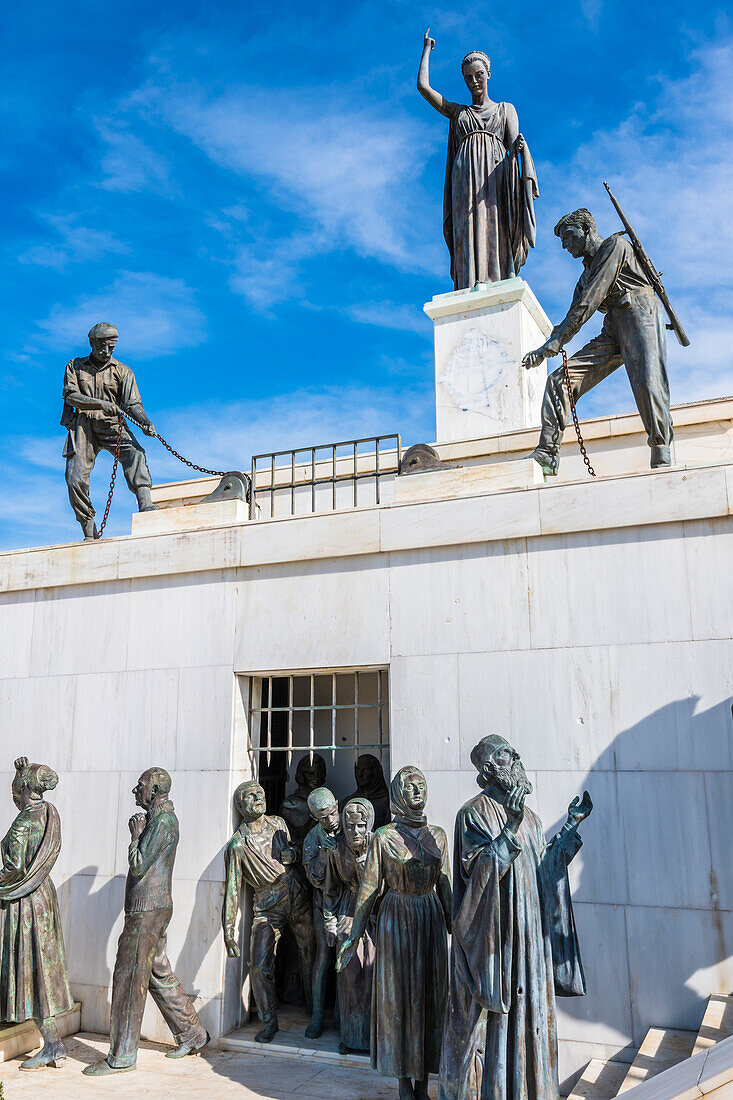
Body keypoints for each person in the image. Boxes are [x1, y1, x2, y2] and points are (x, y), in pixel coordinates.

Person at [439, 735, 592, 1100]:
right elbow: (476, 875)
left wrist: (569, 827)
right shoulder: (472, 813)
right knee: (496, 1027)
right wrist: (509, 828)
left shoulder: (533, 819)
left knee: (532, 1022)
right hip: (500, 941)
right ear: (490, 768)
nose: (518, 757)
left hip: (531, 940)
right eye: (508, 754)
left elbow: (543, 870)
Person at [523, 208, 673, 474]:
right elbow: (573, 313)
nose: (565, 245)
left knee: (648, 382)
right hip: (614, 325)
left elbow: (589, 301)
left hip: (639, 313)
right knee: (560, 380)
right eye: (563, 241)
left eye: (569, 236)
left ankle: (661, 450)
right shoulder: (584, 276)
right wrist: (545, 347)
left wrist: (556, 343)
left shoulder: (615, 246)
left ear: (588, 230)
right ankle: (547, 453)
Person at [84, 768, 209, 1076]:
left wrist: (136, 836)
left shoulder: (162, 822)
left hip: (147, 910)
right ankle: (192, 1032)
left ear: (154, 790)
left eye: (140, 785)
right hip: (153, 908)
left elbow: (138, 865)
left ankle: (123, 1055)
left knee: (128, 978)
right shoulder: (161, 819)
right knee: (157, 973)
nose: (134, 790)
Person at [338, 766, 452, 1100]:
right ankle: (403, 1083)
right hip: (397, 919)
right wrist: (353, 936)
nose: (417, 791)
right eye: (409, 786)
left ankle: (423, 1085)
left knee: (430, 998)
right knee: (400, 999)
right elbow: (369, 889)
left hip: (429, 918)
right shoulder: (384, 837)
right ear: (398, 793)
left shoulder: (439, 835)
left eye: (421, 785)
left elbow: (445, 885)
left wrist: (458, 929)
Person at [418, 28, 538, 290]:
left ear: (488, 75)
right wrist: (426, 49)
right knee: (466, 227)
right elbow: (423, 88)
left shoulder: (505, 110)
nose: (474, 81)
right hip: (463, 181)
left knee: (493, 224)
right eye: (468, 77)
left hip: (494, 177)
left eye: (479, 75)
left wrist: (518, 149)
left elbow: (512, 150)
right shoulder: (457, 112)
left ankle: (496, 277)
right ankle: (469, 279)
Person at [222, 780, 315, 1043]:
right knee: (260, 965)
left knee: (311, 953)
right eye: (250, 796)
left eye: (260, 794)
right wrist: (229, 931)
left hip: (295, 894)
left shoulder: (278, 823)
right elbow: (232, 889)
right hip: (266, 904)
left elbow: (296, 852)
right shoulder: (237, 846)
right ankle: (268, 1020)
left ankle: (313, 1009)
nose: (258, 798)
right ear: (240, 806)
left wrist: (293, 855)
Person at [0, 757, 74, 1070]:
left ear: (24, 791)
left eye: (16, 788)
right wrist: (22, 771)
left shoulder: (23, 822)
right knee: (43, 972)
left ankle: (53, 1044)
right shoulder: (48, 812)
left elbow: (14, 869)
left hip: (25, 902)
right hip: (43, 894)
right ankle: (54, 1043)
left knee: (32, 973)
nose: (13, 793)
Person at [61, 322, 157, 540]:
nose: (106, 352)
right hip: (83, 426)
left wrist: (145, 422)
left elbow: (133, 404)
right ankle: (88, 528)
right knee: (75, 479)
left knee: (136, 453)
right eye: (102, 346)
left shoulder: (123, 371)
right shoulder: (75, 366)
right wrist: (100, 404)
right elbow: (71, 396)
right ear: (92, 343)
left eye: (111, 348)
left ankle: (145, 504)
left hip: (113, 425)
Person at [322, 797, 377, 1054]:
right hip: (347, 911)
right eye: (350, 826)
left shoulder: (379, 846)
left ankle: (374, 1037)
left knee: (372, 974)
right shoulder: (336, 849)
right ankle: (351, 1036)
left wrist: (365, 859)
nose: (355, 832)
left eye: (361, 826)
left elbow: (385, 885)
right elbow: (330, 890)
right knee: (350, 976)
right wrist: (329, 921)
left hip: (375, 914)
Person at [301, 786, 341, 1038]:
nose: (331, 820)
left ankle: (342, 1014)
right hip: (323, 904)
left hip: (347, 901)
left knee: (348, 959)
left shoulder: (349, 827)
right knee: (323, 958)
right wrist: (325, 854)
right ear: (315, 817)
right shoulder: (311, 839)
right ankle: (317, 1013)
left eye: (333, 812)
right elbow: (314, 878)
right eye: (323, 817)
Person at [280, 754, 328, 851]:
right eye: (310, 773)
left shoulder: (327, 802)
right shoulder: (289, 804)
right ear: (302, 774)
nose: (316, 777)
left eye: (319, 773)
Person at [340, 753, 391, 829]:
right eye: (358, 769)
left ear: (375, 772)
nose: (360, 774)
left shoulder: (388, 803)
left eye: (365, 770)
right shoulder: (347, 803)